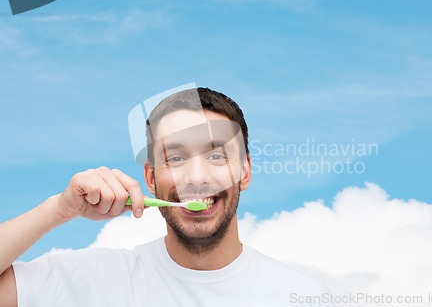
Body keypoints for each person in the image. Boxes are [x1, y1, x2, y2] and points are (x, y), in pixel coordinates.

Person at [0, 88, 332, 307]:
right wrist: (58, 210)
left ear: (244, 172)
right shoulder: (94, 279)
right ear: (151, 178)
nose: (197, 177)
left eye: (216, 156)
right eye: (176, 158)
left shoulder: (301, 295)